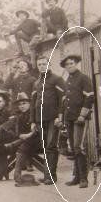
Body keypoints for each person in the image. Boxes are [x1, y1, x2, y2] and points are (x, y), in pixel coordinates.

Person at [61, 54, 94, 188]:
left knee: (78, 147)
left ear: (77, 64)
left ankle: (84, 179)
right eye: (67, 64)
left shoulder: (84, 78)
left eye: (72, 63)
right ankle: (77, 177)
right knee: (73, 147)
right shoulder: (68, 79)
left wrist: (82, 114)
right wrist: (63, 117)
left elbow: (90, 98)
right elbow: (65, 101)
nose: (69, 66)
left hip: (79, 118)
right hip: (69, 118)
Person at [30, 55, 65, 184]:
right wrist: (33, 120)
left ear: (49, 65)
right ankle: (47, 175)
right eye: (39, 64)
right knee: (45, 146)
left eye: (44, 64)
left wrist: (60, 117)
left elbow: (63, 100)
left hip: (53, 118)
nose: (42, 66)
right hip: (40, 119)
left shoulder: (57, 79)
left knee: (51, 145)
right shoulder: (36, 83)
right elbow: (33, 103)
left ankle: (51, 176)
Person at [0, 92, 41, 187]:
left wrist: (28, 135)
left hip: (37, 140)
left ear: (29, 104)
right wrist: (21, 135)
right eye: (20, 104)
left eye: (24, 103)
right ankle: (14, 174)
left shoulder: (35, 114)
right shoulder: (19, 116)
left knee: (23, 144)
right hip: (25, 143)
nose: (22, 106)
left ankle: (16, 175)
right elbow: (18, 131)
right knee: (23, 145)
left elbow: (38, 130)